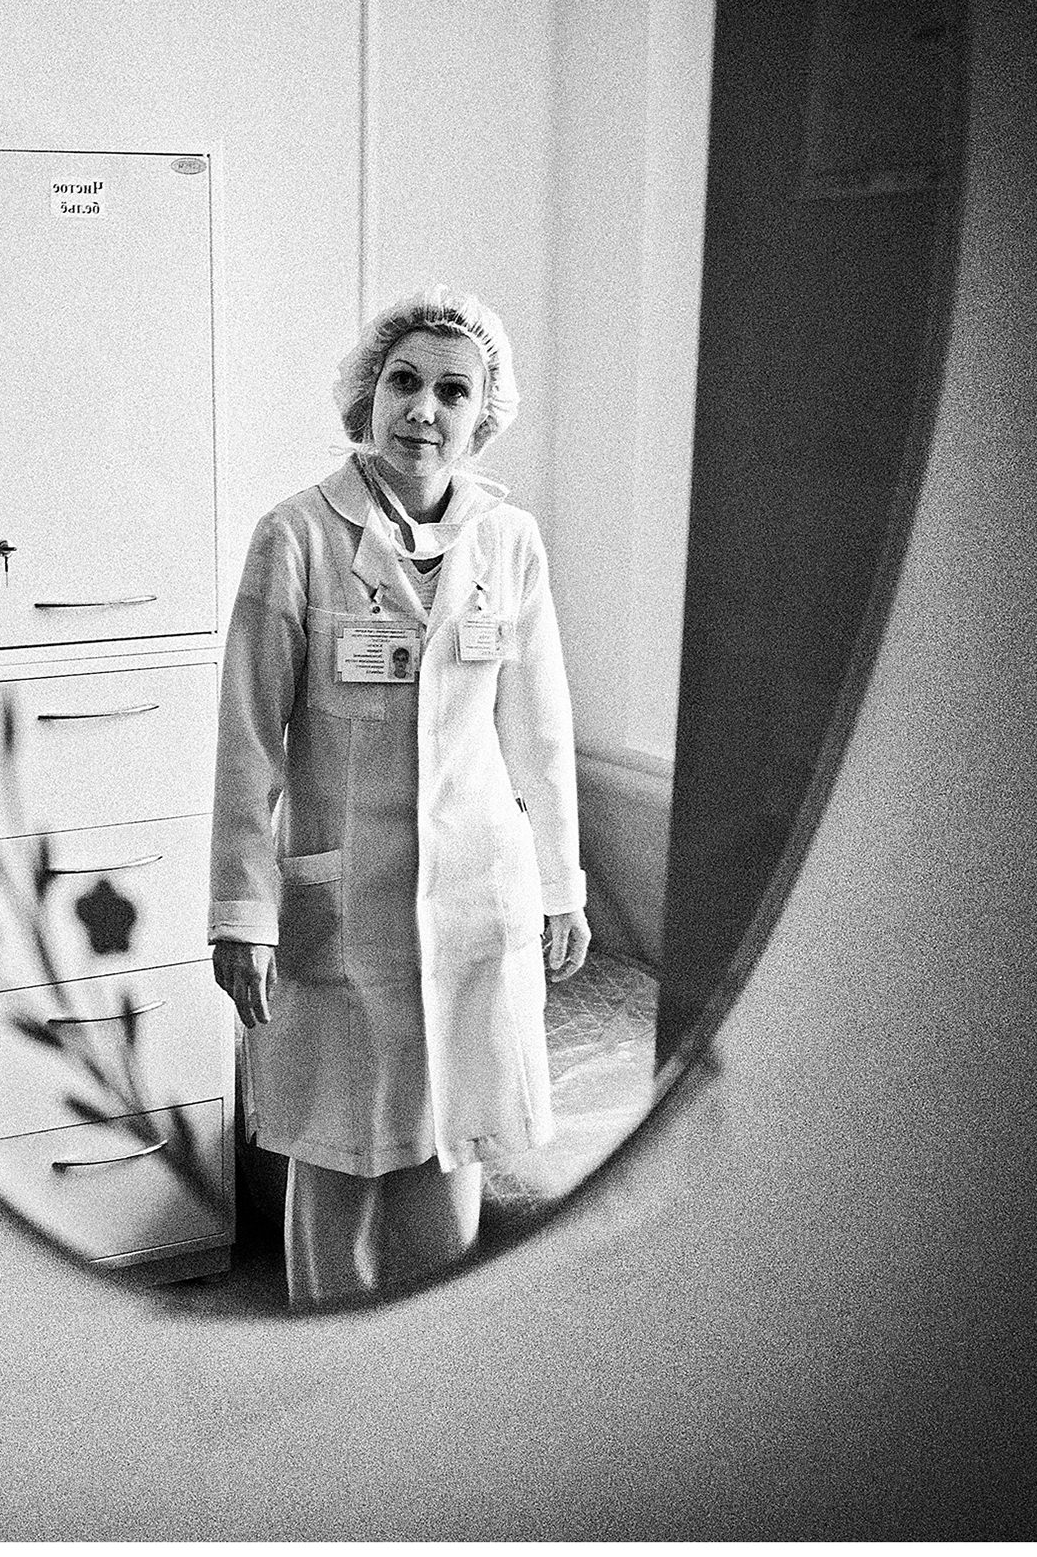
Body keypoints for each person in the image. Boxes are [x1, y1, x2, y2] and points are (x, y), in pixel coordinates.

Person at [208, 285, 591, 1307]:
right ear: (367, 396)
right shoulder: (293, 536)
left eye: (451, 391)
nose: (424, 409)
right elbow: (250, 745)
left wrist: (562, 883)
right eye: (404, 382)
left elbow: (539, 733)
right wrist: (242, 914)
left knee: (451, 1154)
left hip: (474, 898)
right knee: (337, 1163)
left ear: (482, 414)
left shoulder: (509, 544)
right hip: (344, 905)